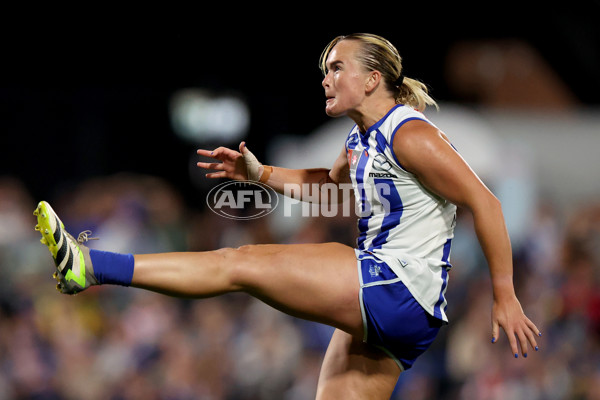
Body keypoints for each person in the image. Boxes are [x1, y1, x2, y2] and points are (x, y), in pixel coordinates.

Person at [34, 33, 541, 399]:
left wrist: (505, 296)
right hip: (405, 309)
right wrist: (259, 174)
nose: (326, 77)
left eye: (337, 67)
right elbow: (324, 186)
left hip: (393, 287)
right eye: (326, 68)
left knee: (239, 262)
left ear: (372, 78)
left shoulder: (411, 135)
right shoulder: (362, 139)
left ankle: (91, 265)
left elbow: (486, 203)